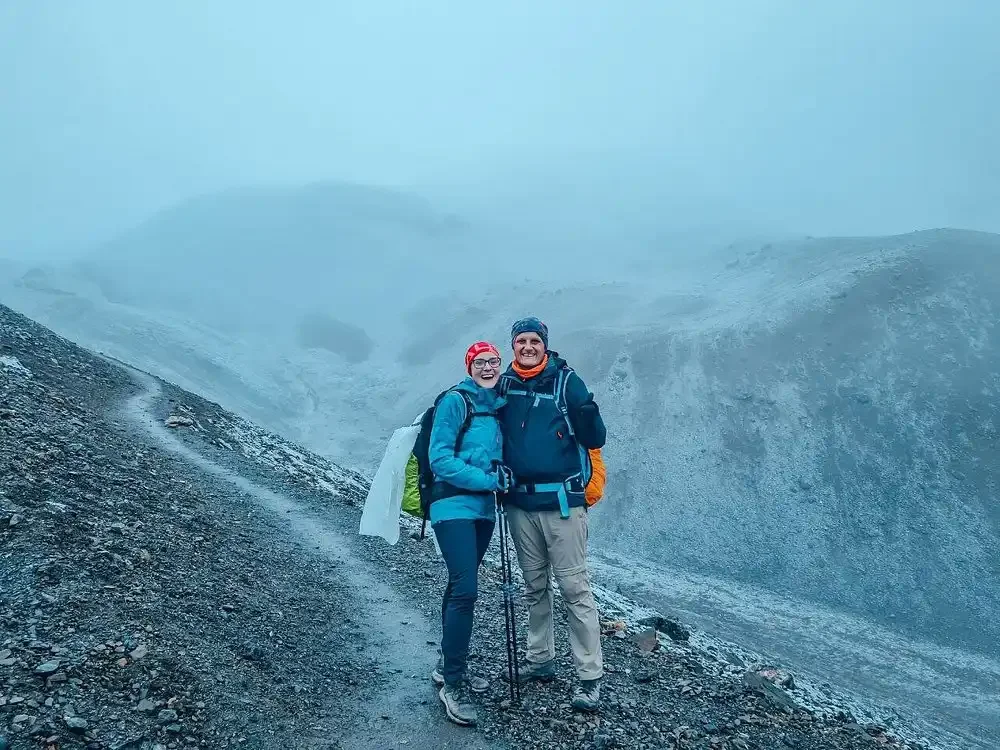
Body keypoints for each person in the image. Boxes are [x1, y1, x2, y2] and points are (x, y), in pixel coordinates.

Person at [497, 317, 607, 712]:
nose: (528, 347)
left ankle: (589, 677)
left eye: (534, 341)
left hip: (563, 504)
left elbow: (595, 437)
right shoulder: (503, 384)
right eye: (521, 341)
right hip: (519, 505)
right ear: (513, 346)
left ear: (545, 345)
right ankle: (540, 660)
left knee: (574, 588)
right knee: (534, 586)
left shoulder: (566, 381)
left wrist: (586, 410)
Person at [427, 341, 513, 727]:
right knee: (466, 589)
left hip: (482, 510)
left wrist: (501, 474)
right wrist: (488, 480)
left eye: (493, 361)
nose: (488, 367)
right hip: (451, 506)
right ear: (469, 366)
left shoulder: (496, 406)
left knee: (459, 584)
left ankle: (446, 665)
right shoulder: (455, 402)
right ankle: (454, 685)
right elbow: (440, 458)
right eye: (480, 362)